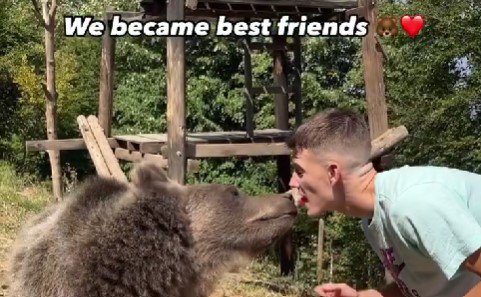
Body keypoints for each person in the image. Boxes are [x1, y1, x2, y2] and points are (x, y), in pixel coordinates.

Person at [286, 108, 481, 297]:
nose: (292, 182)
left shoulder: (412, 204)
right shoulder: (373, 216)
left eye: (300, 172)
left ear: (332, 173)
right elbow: (419, 289)